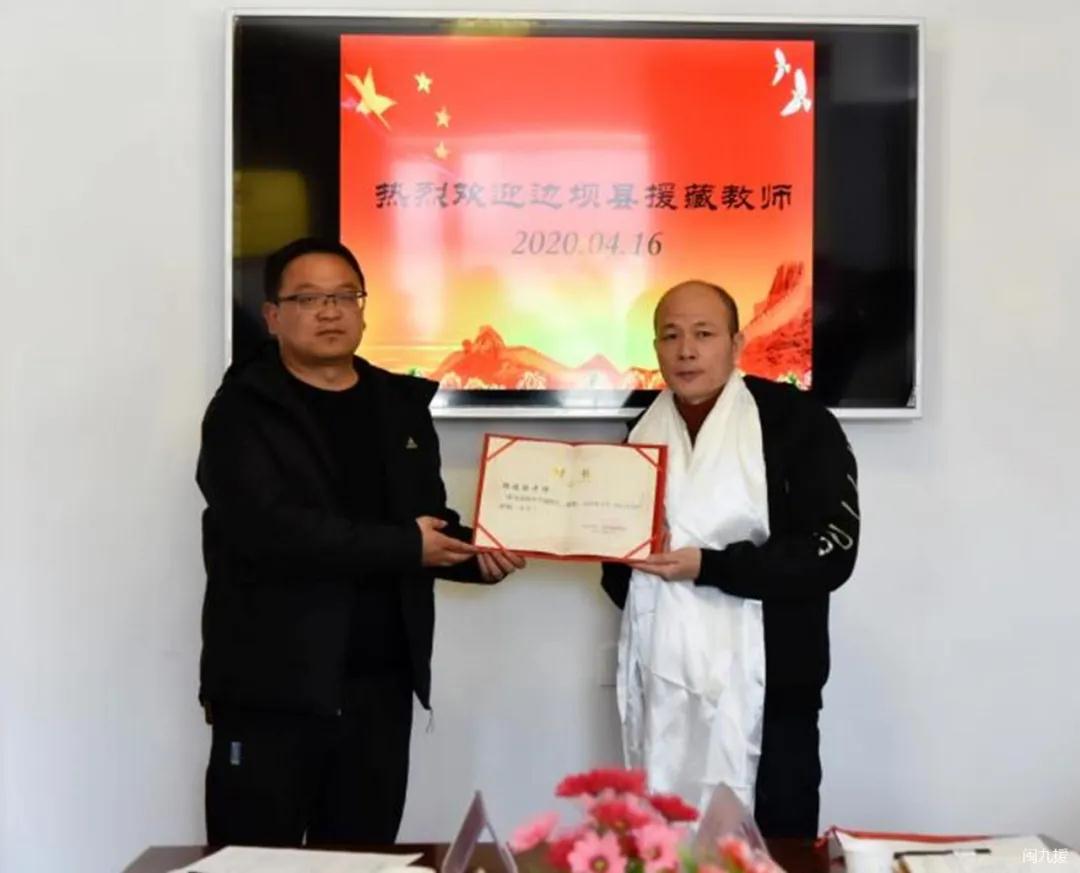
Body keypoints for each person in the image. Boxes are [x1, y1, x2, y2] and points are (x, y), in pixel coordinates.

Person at [196, 237, 524, 847]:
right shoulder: (241, 410)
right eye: (308, 298)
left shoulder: (399, 405)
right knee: (253, 860)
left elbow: (427, 524)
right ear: (273, 316)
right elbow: (268, 529)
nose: (330, 311)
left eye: (345, 296)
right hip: (271, 690)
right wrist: (407, 546)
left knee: (363, 857)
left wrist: (480, 556)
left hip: (380, 687)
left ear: (363, 309)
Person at [601, 280, 859, 838]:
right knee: (666, 841)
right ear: (655, 347)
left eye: (703, 334)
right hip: (665, 686)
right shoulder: (640, 433)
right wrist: (621, 550)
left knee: (775, 848)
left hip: (772, 692)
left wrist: (708, 566)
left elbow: (831, 553)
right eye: (671, 336)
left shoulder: (797, 422)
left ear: (737, 343)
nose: (686, 351)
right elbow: (618, 579)